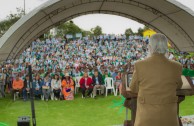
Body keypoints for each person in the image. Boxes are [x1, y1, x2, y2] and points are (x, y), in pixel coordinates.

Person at [129, 33, 183, 126]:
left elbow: (133, 88)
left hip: (145, 119)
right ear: (166, 47)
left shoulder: (140, 65)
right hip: (169, 119)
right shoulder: (177, 66)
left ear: (150, 47)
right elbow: (179, 85)